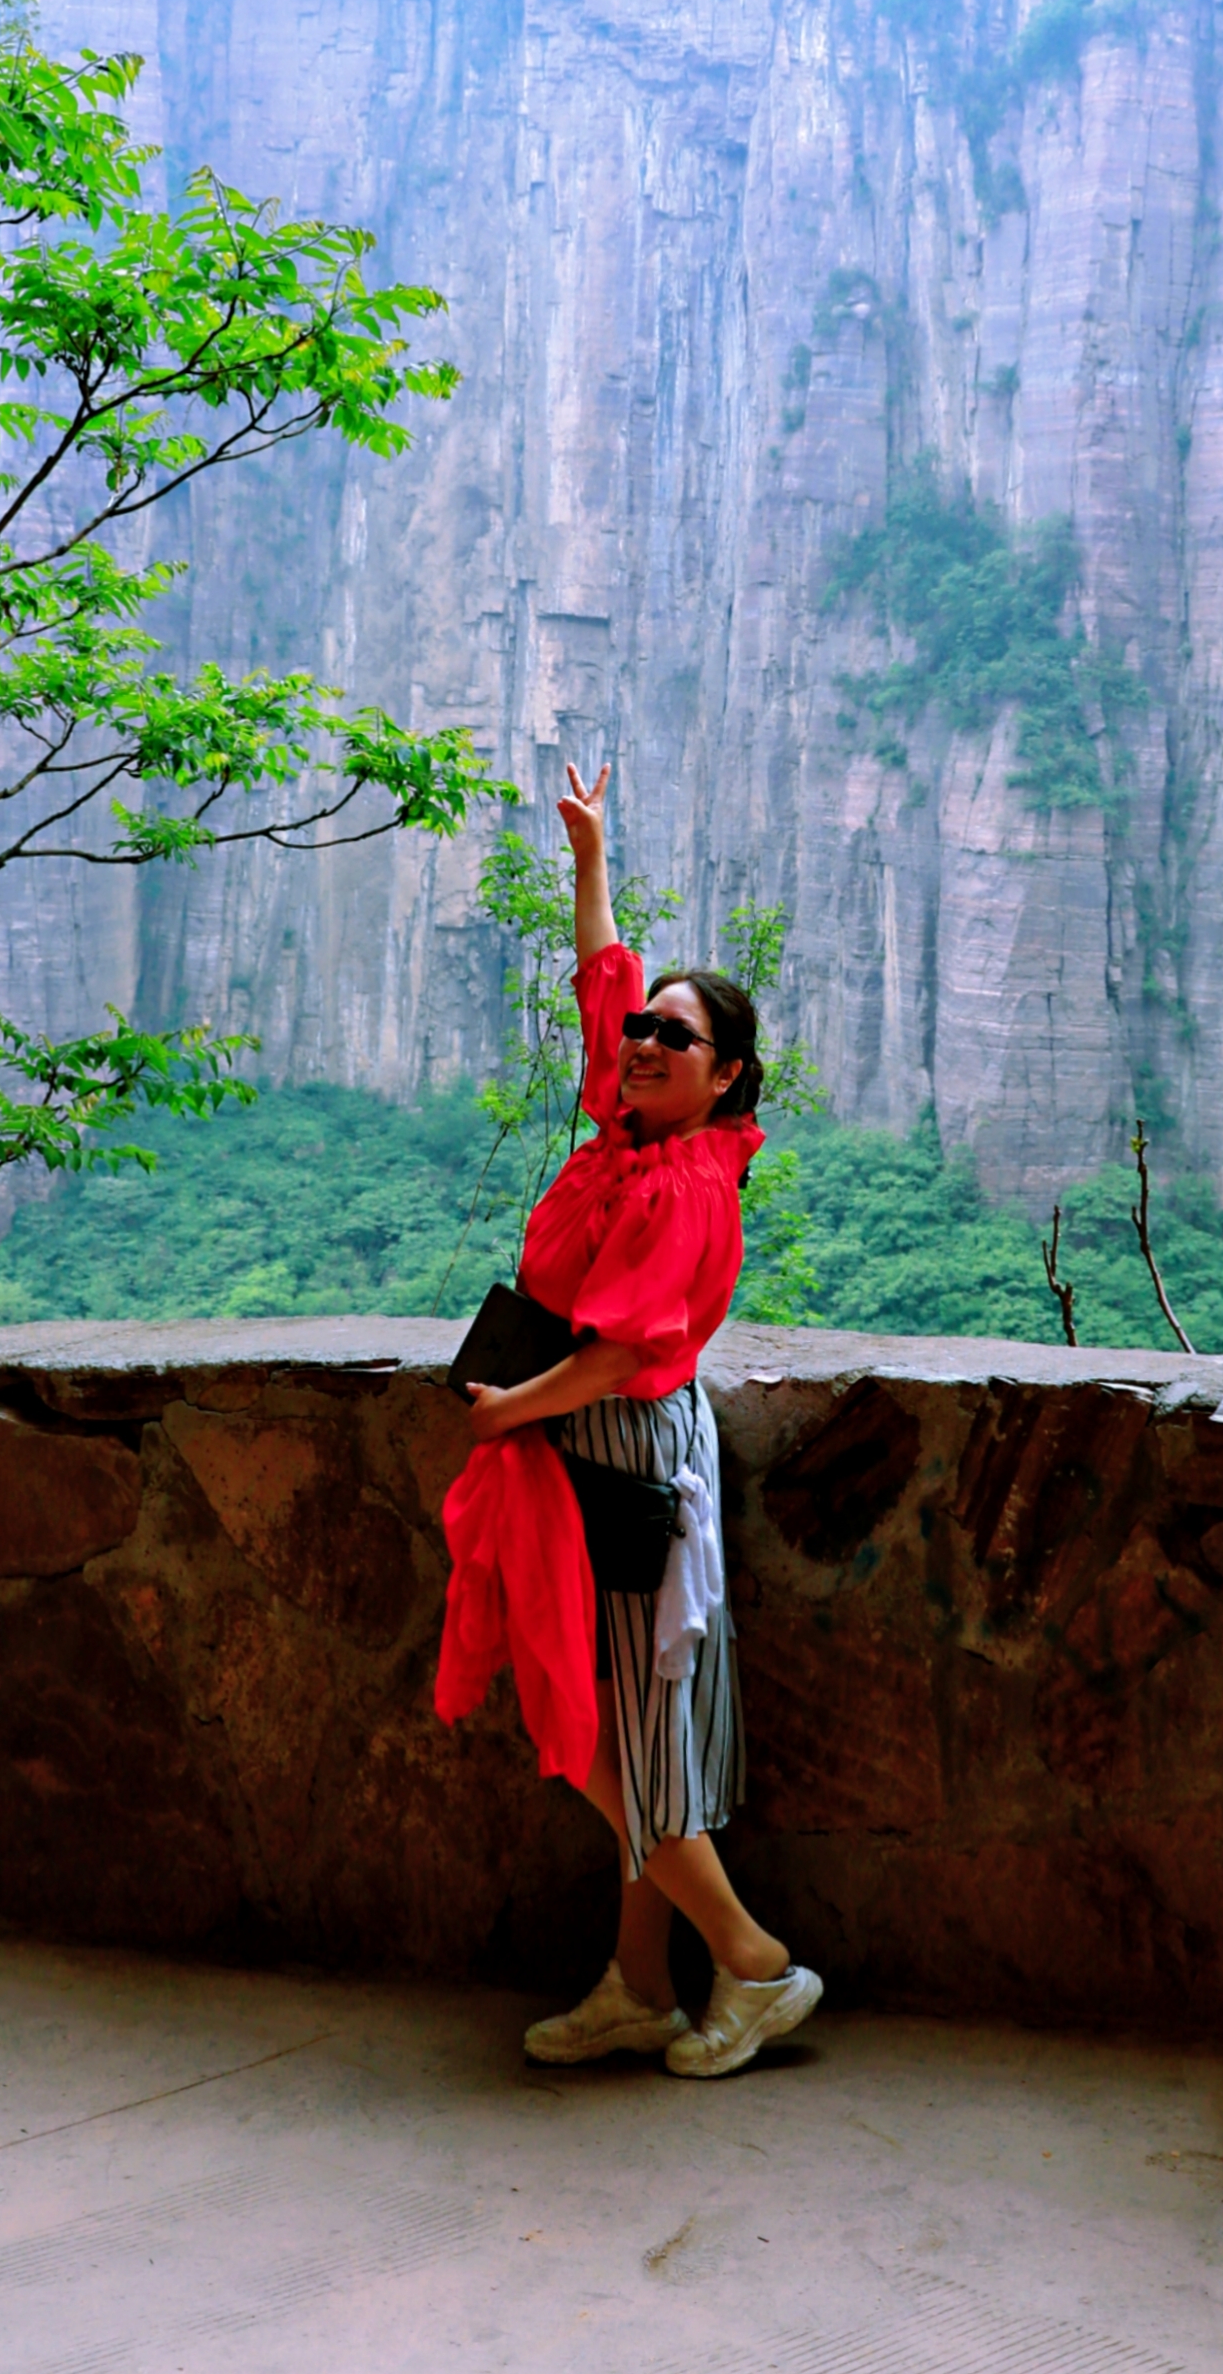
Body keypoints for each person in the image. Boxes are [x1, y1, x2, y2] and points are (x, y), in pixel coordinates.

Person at [434, 760, 823, 2081]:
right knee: (617, 1721)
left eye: (677, 1039)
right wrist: (592, 854)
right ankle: (640, 1985)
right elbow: (603, 972)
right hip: (580, 1442)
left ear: (726, 1082)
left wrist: (506, 1418)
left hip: (616, 1453)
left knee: (614, 1735)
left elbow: (620, 1358)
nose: (646, 1044)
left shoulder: (682, 1192)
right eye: (643, 1034)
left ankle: (755, 1964)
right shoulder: (626, 1130)